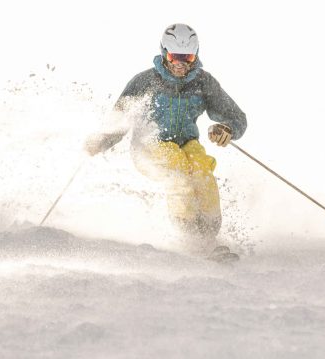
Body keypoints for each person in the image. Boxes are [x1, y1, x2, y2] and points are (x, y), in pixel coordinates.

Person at [85, 23, 247, 253]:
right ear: (164, 53)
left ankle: (208, 239)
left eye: (188, 57)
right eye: (174, 56)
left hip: (186, 145)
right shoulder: (144, 82)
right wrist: (102, 141)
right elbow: (119, 119)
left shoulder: (203, 83)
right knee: (179, 172)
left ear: (196, 55)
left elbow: (237, 118)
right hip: (150, 147)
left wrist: (227, 129)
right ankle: (189, 238)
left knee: (202, 171)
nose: (181, 64)